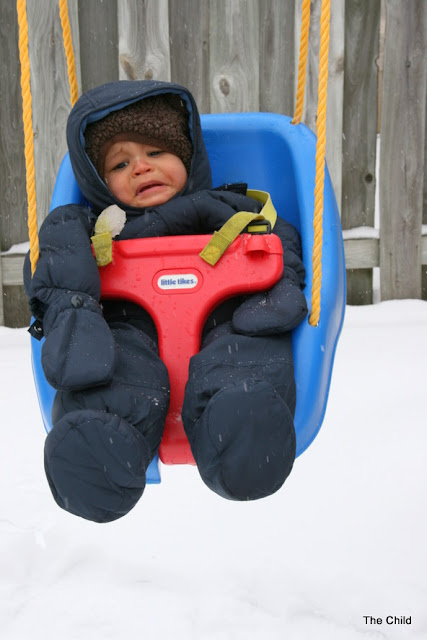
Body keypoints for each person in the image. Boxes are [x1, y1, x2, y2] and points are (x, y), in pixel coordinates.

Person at [24, 80, 308, 523]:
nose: (140, 167)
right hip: (127, 331)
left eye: (156, 152)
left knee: (245, 360)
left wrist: (283, 284)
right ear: (98, 182)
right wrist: (68, 278)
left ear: (187, 157)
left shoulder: (228, 206)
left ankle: (242, 429)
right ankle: (99, 451)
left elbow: (278, 241)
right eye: (120, 164)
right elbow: (52, 275)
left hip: (226, 324)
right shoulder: (93, 228)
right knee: (110, 380)